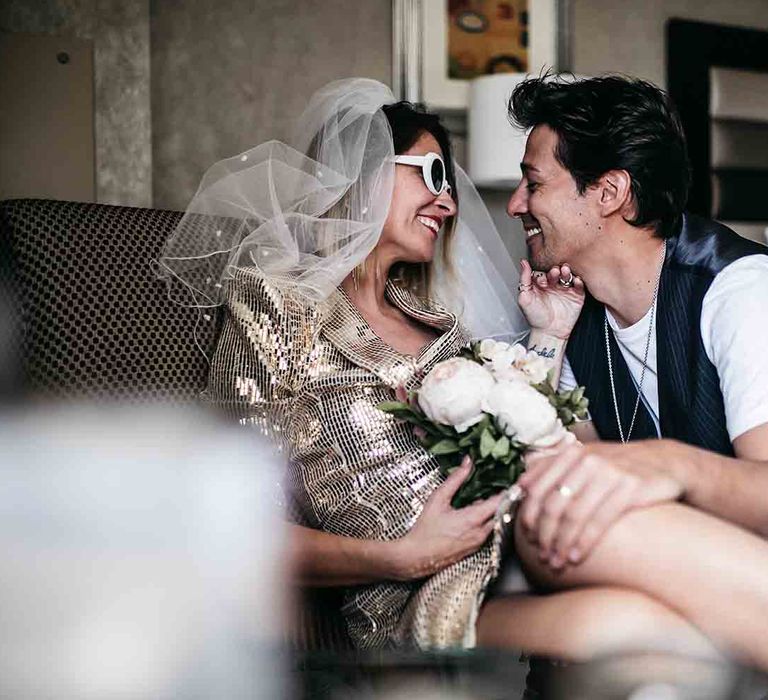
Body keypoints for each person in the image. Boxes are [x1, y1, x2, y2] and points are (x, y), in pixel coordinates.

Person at [159, 78, 762, 665]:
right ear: (360, 171)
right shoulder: (273, 307)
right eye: (433, 174)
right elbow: (237, 528)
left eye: (529, 182)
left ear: (608, 192)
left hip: (531, 529)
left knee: (652, 634)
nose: (451, 202)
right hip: (429, 584)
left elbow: (546, 442)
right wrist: (401, 557)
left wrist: (547, 335)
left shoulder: (445, 324)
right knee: (624, 613)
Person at [493, 74, 768, 668]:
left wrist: (674, 465)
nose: (516, 203)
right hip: (681, 597)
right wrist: (547, 335)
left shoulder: (739, 293)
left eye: (534, 182)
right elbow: (567, 488)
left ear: (610, 191)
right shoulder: (578, 315)